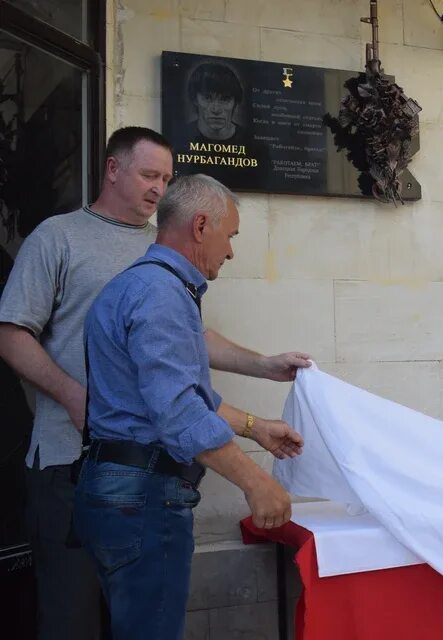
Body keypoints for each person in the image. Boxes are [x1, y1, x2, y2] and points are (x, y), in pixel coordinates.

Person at [0, 126, 309, 640]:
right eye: (149, 174)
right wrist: (256, 481)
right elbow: (12, 335)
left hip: (115, 469)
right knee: (74, 620)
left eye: (167, 178)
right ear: (112, 169)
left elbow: (180, 371)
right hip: (78, 462)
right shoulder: (65, 239)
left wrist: (261, 386)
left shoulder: (157, 262)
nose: (158, 188)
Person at [73, 174, 303, 639]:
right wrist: (256, 482)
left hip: (124, 492)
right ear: (201, 226)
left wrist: (255, 426)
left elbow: (176, 399)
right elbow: (179, 414)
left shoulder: (145, 286)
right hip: (144, 496)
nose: (232, 251)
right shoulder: (160, 294)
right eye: (230, 235)